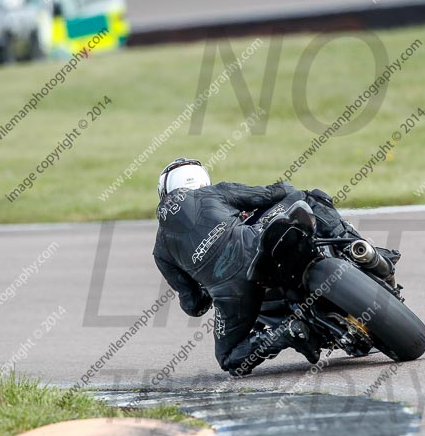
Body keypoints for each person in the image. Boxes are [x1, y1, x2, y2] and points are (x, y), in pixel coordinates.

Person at [152, 158, 396, 377]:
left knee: (229, 359)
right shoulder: (216, 192)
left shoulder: (161, 249)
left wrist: (207, 286)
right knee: (310, 196)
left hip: (232, 292)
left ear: (164, 191)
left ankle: (285, 332)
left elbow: (193, 306)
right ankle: (358, 248)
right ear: (203, 180)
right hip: (255, 245)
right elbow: (278, 191)